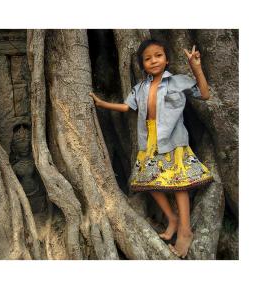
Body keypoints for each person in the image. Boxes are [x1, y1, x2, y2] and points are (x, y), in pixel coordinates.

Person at [89, 39, 213, 258]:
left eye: (158, 56)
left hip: (173, 139)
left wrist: (196, 69)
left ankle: (185, 230)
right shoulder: (140, 88)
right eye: (148, 58)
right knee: (146, 181)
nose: (153, 60)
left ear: (166, 60)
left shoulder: (177, 81)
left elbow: (205, 94)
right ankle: (171, 218)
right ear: (142, 64)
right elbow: (127, 107)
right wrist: (102, 104)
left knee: (179, 184)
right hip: (149, 140)